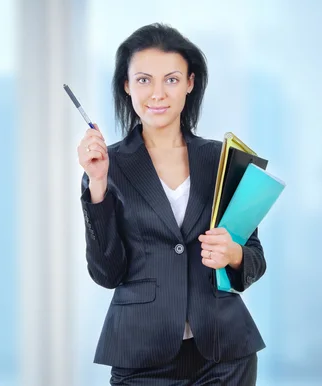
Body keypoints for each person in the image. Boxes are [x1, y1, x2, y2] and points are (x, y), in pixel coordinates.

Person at [77, 23, 266, 385]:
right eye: (145, 80)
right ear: (127, 85)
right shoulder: (105, 167)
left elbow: (255, 259)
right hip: (141, 356)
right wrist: (98, 185)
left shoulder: (224, 161)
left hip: (226, 354)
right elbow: (106, 273)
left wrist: (234, 255)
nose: (158, 93)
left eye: (172, 79)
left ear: (190, 83)